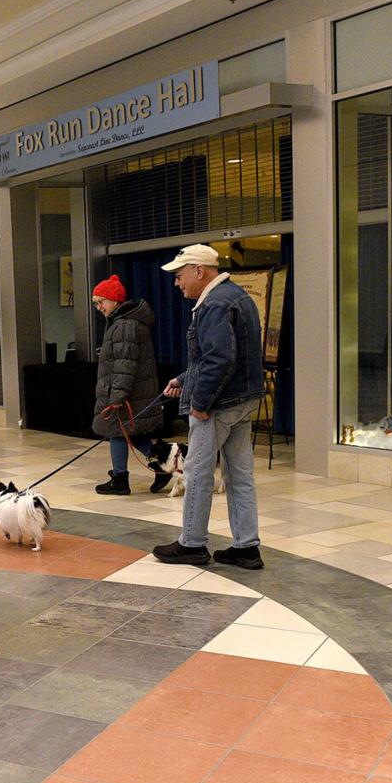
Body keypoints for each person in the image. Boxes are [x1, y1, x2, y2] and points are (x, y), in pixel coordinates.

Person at [152, 244, 265, 570]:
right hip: (242, 401)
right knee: (239, 475)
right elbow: (224, 357)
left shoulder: (214, 303)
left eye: (179, 275)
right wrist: (184, 379)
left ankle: (192, 544)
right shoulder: (237, 296)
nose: (177, 283)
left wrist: (200, 402)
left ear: (199, 271)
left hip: (218, 405)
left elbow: (220, 359)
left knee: (198, 473)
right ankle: (246, 548)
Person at [89, 275, 171, 495]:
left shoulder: (124, 326)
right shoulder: (122, 322)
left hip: (128, 394)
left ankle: (120, 479)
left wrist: (116, 397)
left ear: (115, 300)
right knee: (129, 433)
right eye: (96, 303)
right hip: (130, 392)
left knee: (117, 431)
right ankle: (161, 466)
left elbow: (125, 366)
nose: (99, 307)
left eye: (101, 302)